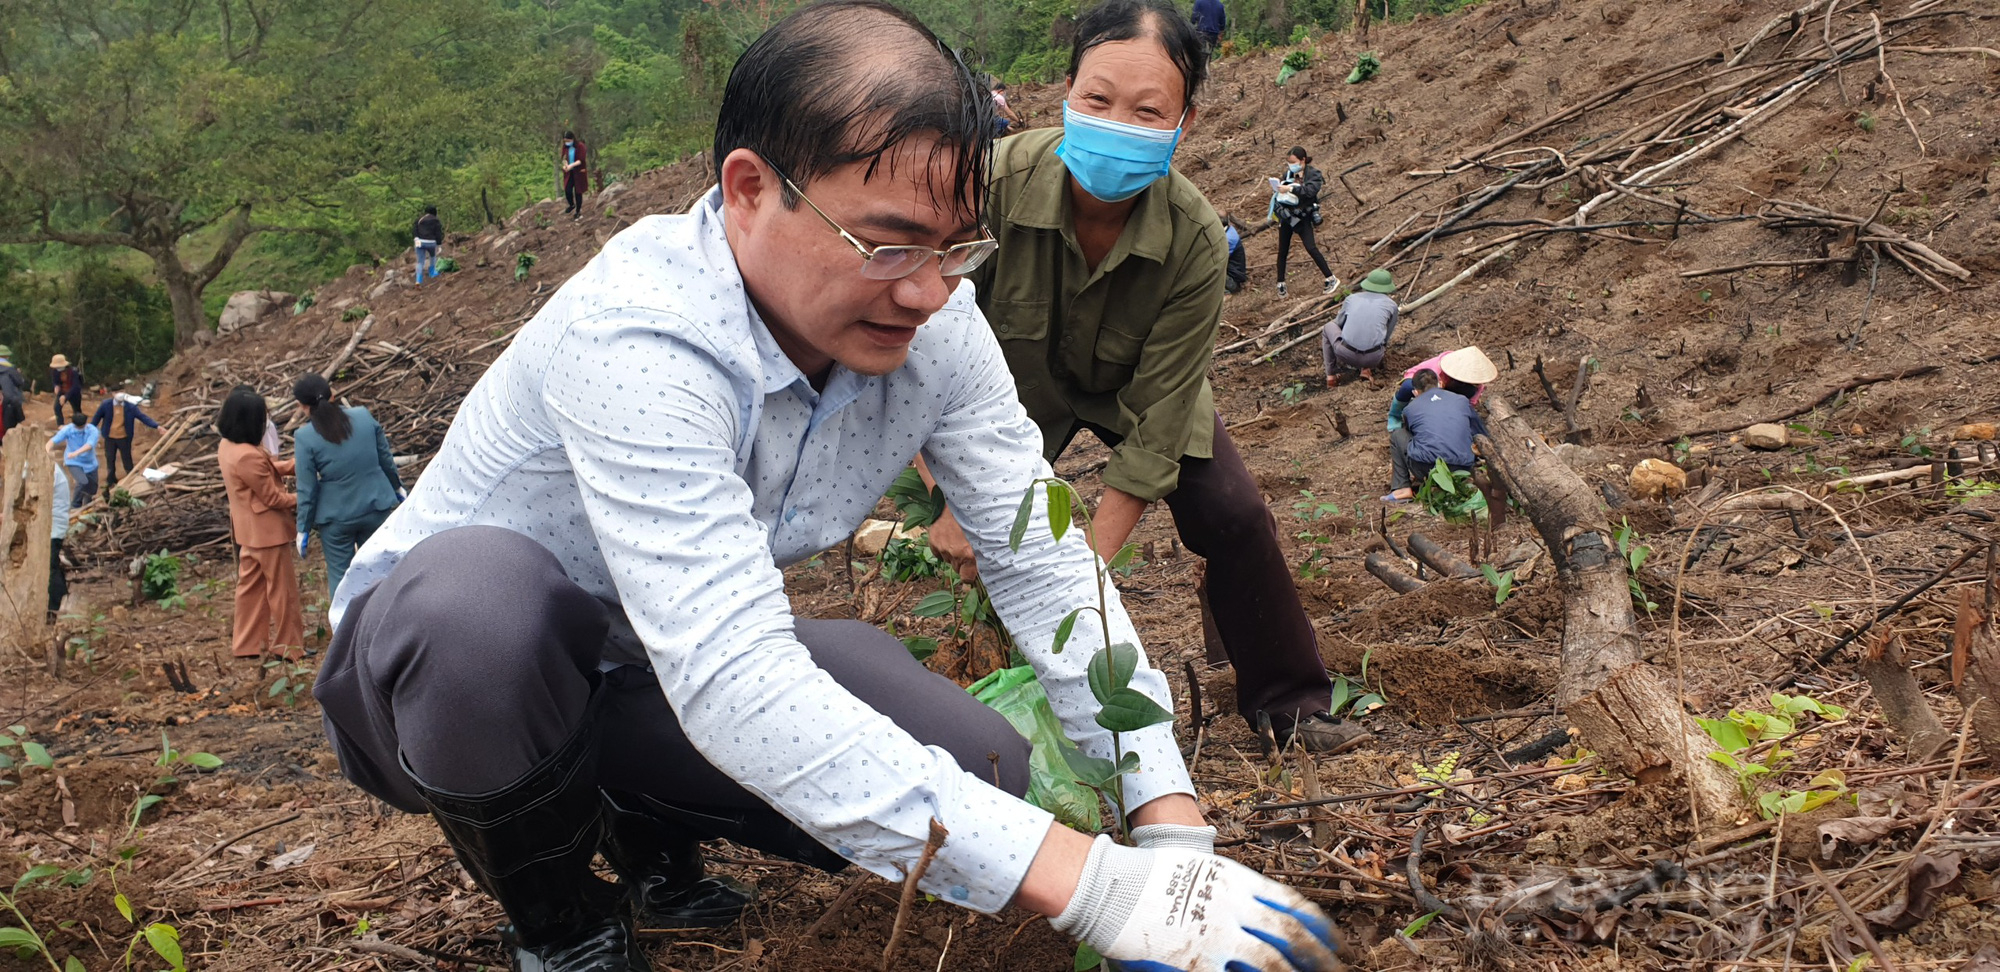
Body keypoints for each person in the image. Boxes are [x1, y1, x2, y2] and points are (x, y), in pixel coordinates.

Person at [315, 4, 1338, 971]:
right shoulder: (639, 333)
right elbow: (729, 671)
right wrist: (1089, 885)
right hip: (435, 682)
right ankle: (561, 923)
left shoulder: (941, 319)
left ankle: (648, 833)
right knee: (480, 607)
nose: (923, 290)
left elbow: (1043, 550)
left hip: (644, 664)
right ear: (751, 189)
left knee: (980, 776)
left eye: (952, 248)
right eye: (884, 242)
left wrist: (1161, 809)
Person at [937, 0, 1362, 755]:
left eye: (1146, 110)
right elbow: (920, 335)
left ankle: (1290, 701)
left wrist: (1087, 570)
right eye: (1097, 101)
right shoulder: (990, 184)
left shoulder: (1196, 239)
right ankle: (979, 705)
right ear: (1066, 92)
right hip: (1005, 392)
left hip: (1133, 385)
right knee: (968, 541)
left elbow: (1163, 414)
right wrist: (946, 494)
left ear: (1183, 123)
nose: (1116, 123)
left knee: (1232, 514)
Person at [291, 374, 403, 598]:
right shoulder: (363, 416)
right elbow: (385, 459)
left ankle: (345, 629)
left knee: (342, 580)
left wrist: (303, 528)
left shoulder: (304, 437)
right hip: (375, 505)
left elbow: (307, 488)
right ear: (333, 394)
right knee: (382, 571)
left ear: (302, 406)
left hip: (336, 518)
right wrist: (397, 487)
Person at [217, 386, 304, 659]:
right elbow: (274, 498)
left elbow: (259, 471)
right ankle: (289, 647)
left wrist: (291, 465)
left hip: (247, 530)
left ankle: (247, 644)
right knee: (283, 593)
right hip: (268, 532)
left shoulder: (228, 446)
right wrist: (307, 497)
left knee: (250, 590)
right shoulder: (249, 455)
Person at [1386, 370, 1488, 502]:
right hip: (1463, 468)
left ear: (1415, 392)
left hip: (1427, 468)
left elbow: (1415, 435)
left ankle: (1402, 487)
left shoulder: (1410, 409)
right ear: (1440, 383)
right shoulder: (1461, 400)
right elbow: (1480, 433)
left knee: (1397, 435)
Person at [1387, 344, 1496, 433]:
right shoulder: (1440, 368)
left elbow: (1469, 403)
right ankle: (1395, 416)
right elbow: (1429, 388)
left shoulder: (1476, 383)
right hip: (1425, 382)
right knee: (1407, 387)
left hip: (1449, 390)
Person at [1272, 147, 1336, 298]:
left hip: (1303, 216)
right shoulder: (1287, 174)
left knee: (1311, 247)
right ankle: (1280, 282)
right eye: (1289, 162)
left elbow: (1309, 191)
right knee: (1283, 250)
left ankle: (1330, 277)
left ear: (1302, 160)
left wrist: (1290, 189)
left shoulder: (1314, 174)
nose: (1291, 165)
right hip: (1287, 215)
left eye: (1293, 162)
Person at [1323, 268, 1398, 386]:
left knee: (1328, 326)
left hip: (1346, 354)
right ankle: (1366, 369)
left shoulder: (1352, 299)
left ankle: (1331, 375)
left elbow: (1339, 323)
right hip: (1374, 358)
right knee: (1376, 337)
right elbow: (1386, 337)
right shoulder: (1392, 306)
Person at [90, 392, 161, 485]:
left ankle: (131, 478)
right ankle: (111, 480)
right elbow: (96, 418)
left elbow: (143, 417)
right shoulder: (106, 405)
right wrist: (88, 430)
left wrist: (157, 426)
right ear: (113, 394)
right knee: (110, 459)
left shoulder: (130, 407)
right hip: (110, 437)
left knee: (127, 458)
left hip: (124, 437)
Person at [47, 413, 102, 508]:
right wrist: (47, 450)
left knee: (93, 487)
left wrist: (76, 453)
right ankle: (75, 505)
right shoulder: (68, 429)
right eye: (77, 427)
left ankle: (88, 505)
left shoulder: (93, 430)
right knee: (82, 482)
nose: (79, 428)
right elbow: (52, 441)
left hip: (90, 463)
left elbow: (89, 445)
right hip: (73, 462)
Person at [50, 462, 70, 620]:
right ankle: (59, 603)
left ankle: (56, 609)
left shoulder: (45, 469)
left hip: (52, 528)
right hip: (53, 526)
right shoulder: (48, 467)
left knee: (50, 568)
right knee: (52, 566)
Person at [559, 131, 590, 220]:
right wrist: (565, 165)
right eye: (565, 141)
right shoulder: (565, 147)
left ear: (572, 139)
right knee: (567, 189)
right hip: (569, 172)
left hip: (578, 171)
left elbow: (580, 160)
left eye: (568, 140)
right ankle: (571, 204)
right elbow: (563, 158)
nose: (567, 142)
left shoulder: (580, 146)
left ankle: (578, 211)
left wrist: (571, 166)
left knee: (578, 192)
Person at [413, 206, 445, 284]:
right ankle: (432, 272)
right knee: (433, 257)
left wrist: (416, 238)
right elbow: (438, 233)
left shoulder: (419, 219)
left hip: (419, 241)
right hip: (431, 242)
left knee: (420, 261)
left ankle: (418, 280)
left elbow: (414, 230)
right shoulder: (436, 220)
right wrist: (439, 245)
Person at [49, 354, 84, 424]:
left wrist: (66, 396)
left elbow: (76, 386)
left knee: (77, 410)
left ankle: (79, 425)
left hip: (73, 392)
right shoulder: (55, 371)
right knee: (57, 408)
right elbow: (55, 381)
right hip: (62, 391)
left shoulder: (73, 372)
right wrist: (56, 386)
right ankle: (60, 425)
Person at [0, 345, 25, 438]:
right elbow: (20, 382)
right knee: (10, 427)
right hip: (10, 401)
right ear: (6, 356)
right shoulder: (10, 369)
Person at [1223, 214, 1248, 294]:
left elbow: (1217, 261)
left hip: (1234, 278)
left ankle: (1231, 289)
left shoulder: (1227, 239)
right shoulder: (1229, 229)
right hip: (1235, 270)